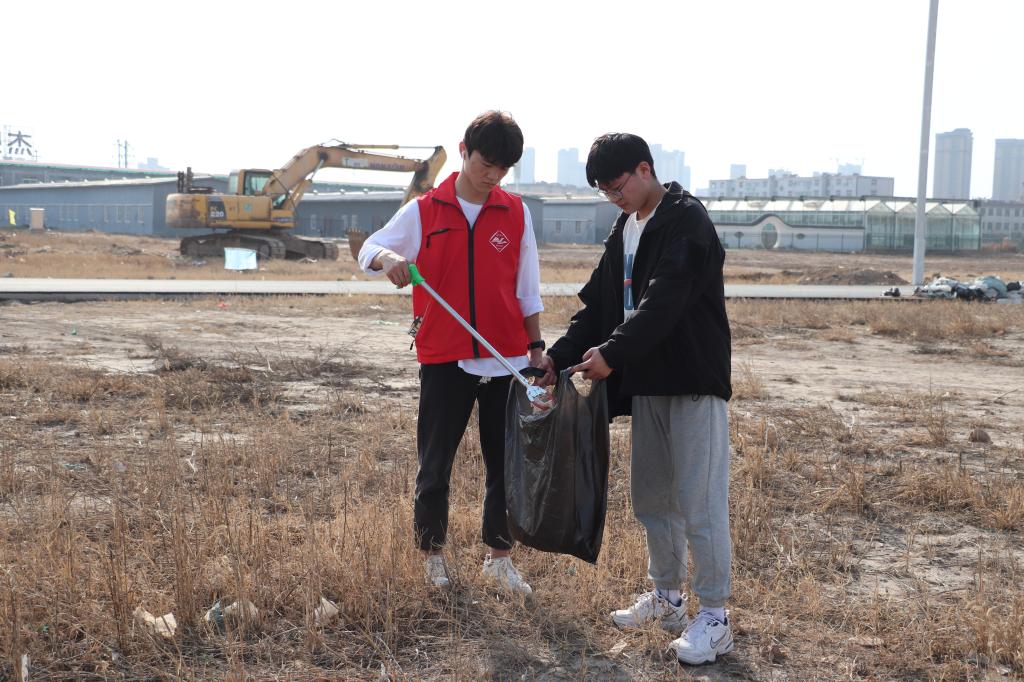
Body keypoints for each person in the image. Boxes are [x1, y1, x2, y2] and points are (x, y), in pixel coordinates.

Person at [537, 133, 734, 664]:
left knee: (699, 501)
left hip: (693, 381)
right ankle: (668, 597)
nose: (613, 196)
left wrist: (613, 353)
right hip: (647, 383)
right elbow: (600, 307)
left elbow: (664, 302)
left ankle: (715, 617)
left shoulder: (686, 221)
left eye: (617, 185)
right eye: (603, 190)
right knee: (652, 498)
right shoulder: (625, 228)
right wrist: (557, 357)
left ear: (645, 169)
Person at [357, 111, 545, 596]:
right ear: (464, 151)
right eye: (486, 163)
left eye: (503, 168)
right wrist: (390, 258)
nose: (493, 176)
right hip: (445, 358)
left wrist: (536, 348)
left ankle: (499, 559)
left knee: (506, 466)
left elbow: (528, 289)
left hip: (506, 360)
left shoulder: (516, 213)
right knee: (435, 463)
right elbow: (369, 249)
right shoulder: (424, 211)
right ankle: (432, 556)